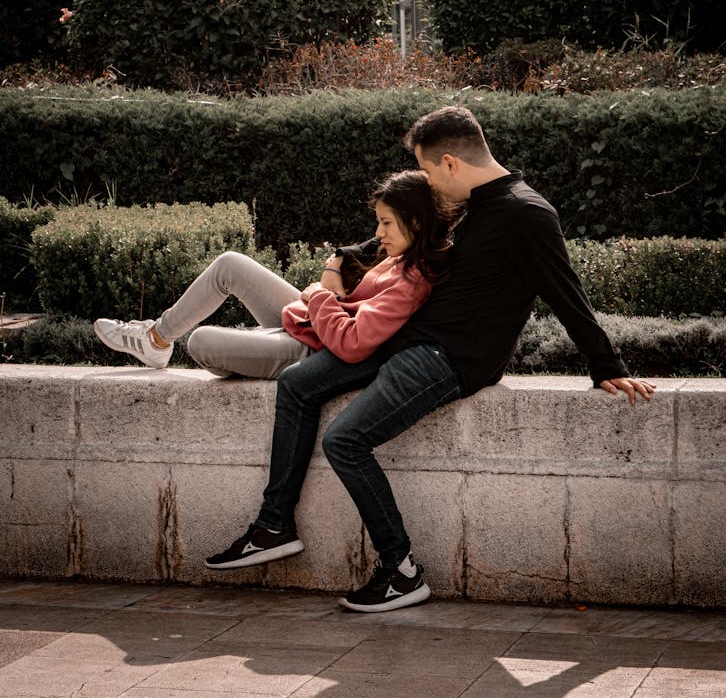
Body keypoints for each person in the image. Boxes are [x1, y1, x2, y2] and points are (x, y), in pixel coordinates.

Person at [205, 106, 655, 613]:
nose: (426, 182)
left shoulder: (527, 214)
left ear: (449, 163)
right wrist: (343, 257)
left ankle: (400, 571)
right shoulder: (462, 205)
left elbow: (567, 294)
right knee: (297, 384)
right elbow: (393, 237)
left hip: (448, 358)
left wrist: (607, 367)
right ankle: (273, 526)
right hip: (405, 338)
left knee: (345, 440)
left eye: (426, 170)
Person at [93, 169, 456, 379]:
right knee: (230, 263)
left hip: (313, 350)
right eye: (378, 222)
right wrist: (329, 276)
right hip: (309, 323)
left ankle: (258, 344)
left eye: (386, 223)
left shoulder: (413, 279)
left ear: (417, 222)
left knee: (201, 342)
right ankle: (155, 340)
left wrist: (319, 296)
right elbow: (346, 272)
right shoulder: (400, 252)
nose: (377, 233)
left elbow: (352, 343)